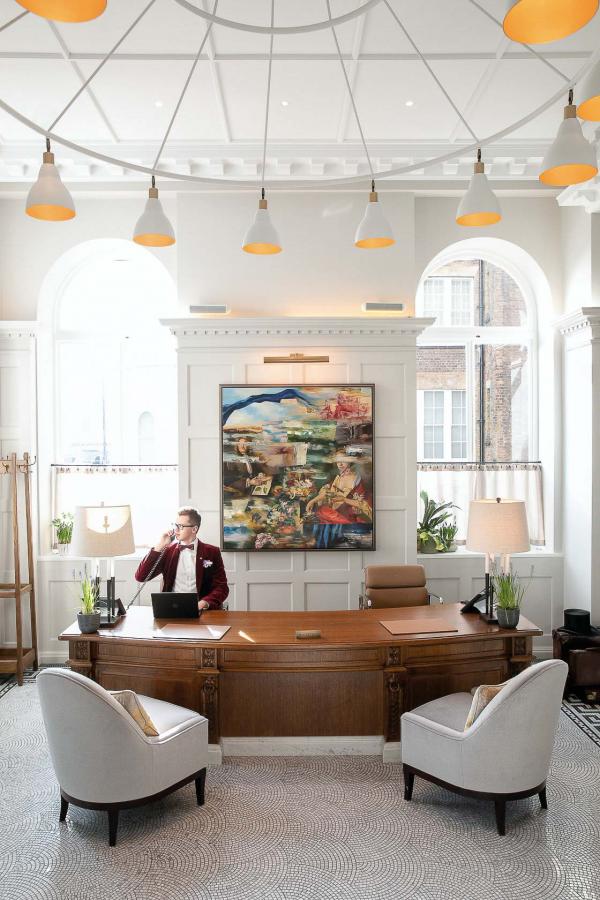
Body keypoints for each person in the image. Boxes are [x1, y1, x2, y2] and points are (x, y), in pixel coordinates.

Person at [135, 506, 229, 611]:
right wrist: (160, 546)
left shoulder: (212, 552)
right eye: (175, 525)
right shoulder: (167, 551)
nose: (176, 530)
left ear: (194, 529)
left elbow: (222, 587)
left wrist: (204, 603)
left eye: (180, 526)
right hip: (172, 610)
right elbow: (141, 577)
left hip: (203, 611)